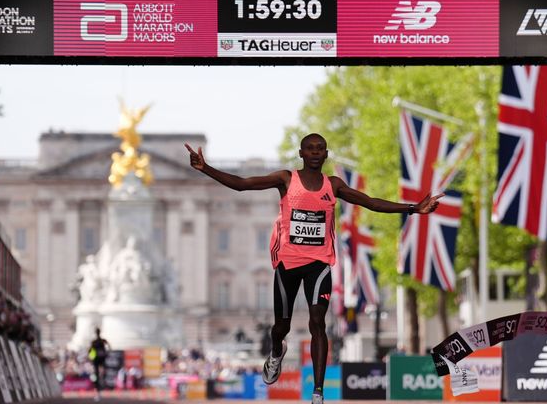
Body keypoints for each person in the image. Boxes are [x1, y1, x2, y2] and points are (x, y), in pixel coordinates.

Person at [184, 133, 444, 404]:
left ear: (326, 154)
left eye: (320, 148)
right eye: (310, 148)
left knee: (317, 323)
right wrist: (206, 169)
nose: (316, 152)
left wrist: (414, 208)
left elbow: (370, 202)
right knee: (281, 327)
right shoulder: (286, 179)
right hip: (288, 263)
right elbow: (242, 184)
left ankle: (318, 392)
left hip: (318, 264)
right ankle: (276, 352)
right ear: (301, 153)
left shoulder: (333, 185)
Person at [88, 327, 110, 400]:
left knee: (100, 373)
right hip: (98, 360)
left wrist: (105, 353)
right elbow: (90, 351)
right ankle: (98, 389)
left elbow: (90, 351)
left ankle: (100, 386)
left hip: (99, 360)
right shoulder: (97, 341)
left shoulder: (99, 341)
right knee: (98, 374)